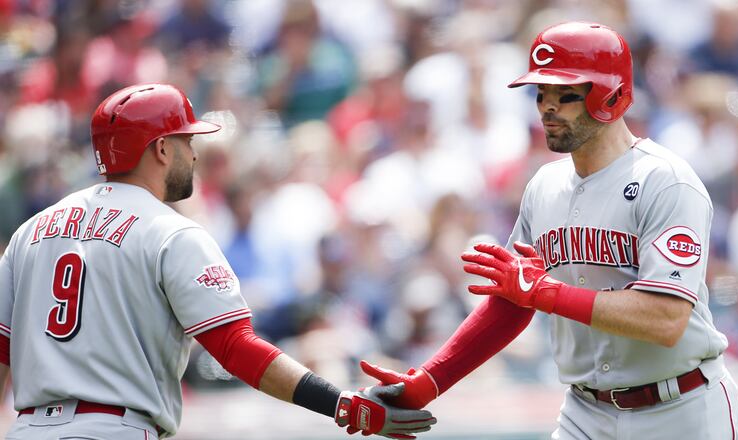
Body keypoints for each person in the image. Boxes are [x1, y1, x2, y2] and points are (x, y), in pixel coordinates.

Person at [358, 22, 738, 439]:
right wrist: (431, 380)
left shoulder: (666, 181)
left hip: (680, 410)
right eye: (541, 93)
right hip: (584, 412)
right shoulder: (544, 186)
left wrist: (547, 293)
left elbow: (666, 318)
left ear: (610, 97)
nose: (547, 106)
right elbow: (513, 301)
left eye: (566, 95)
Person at [0, 83, 436, 439]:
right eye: (187, 140)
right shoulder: (170, 230)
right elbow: (235, 348)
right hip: (116, 429)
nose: (194, 154)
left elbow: (2, 353)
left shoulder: (30, 232)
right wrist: (340, 403)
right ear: (161, 150)